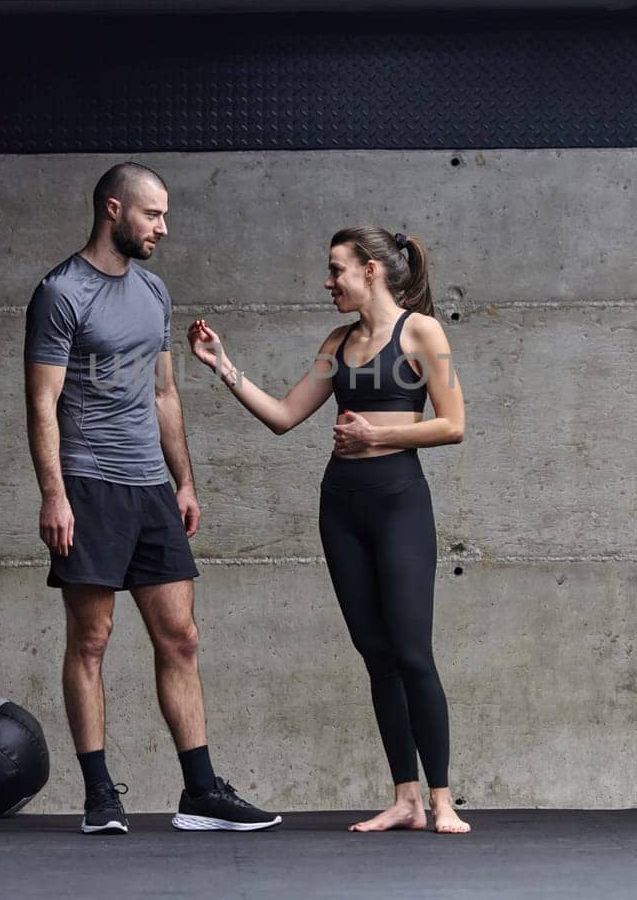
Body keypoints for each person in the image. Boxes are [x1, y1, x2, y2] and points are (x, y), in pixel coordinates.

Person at [187, 225, 471, 834]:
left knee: (412, 652)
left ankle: (443, 799)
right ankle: (406, 798)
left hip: (399, 504)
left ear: (370, 270)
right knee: (375, 656)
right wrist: (224, 367)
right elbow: (286, 416)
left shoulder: (421, 332)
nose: (328, 281)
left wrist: (378, 435)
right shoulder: (336, 343)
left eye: (336, 269)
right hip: (341, 507)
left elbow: (453, 424)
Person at [23, 162, 281, 835]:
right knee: (92, 640)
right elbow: (42, 402)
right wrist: (54, 493)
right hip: (90, 483)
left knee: (182, 637)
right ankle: (100, 793)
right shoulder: (60, 294)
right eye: (152, 215)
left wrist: (184, 479)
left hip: (151, 489)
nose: (163, 228)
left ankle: (200, 789)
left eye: (164, 215)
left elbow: (163, 391)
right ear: (113, 209)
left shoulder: (155, 292)